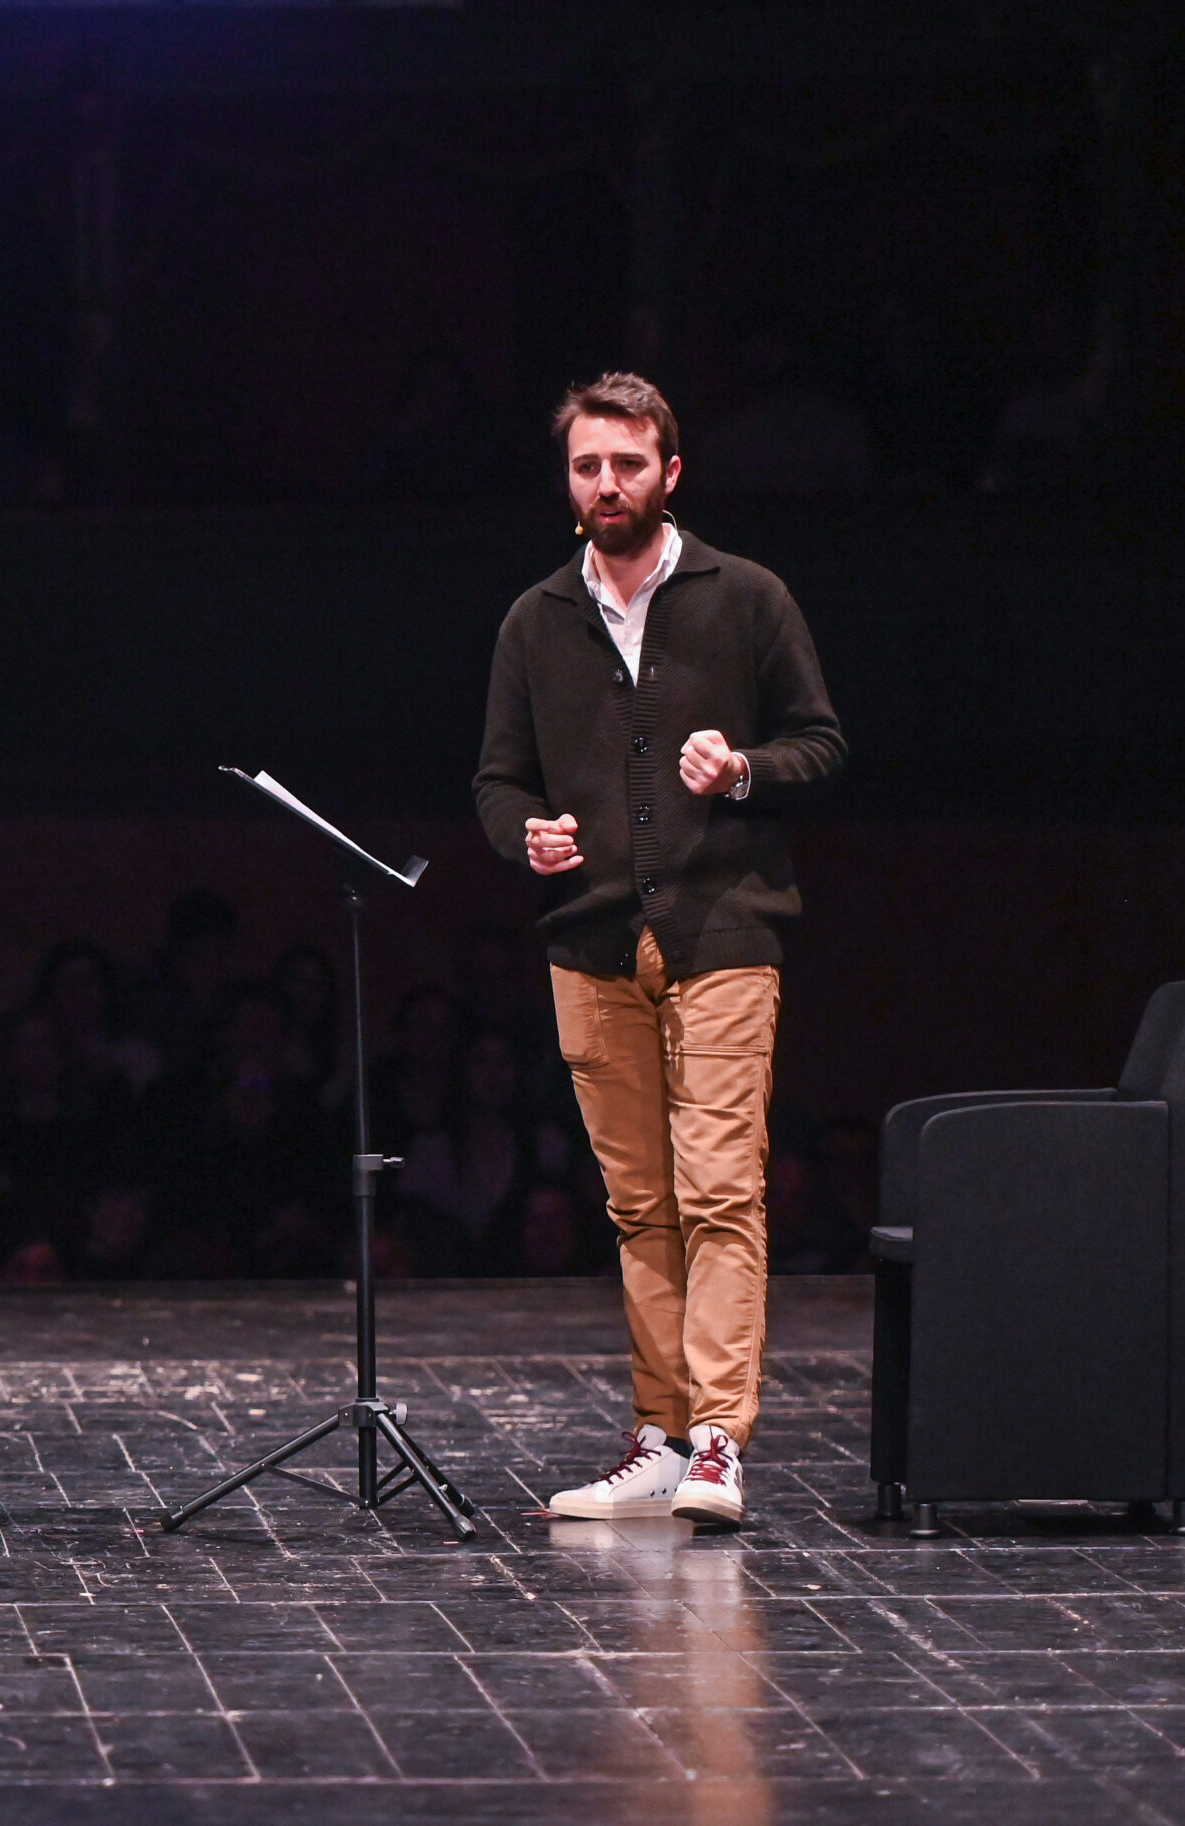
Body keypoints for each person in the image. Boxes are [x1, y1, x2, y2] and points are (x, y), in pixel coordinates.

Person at [474, 372, 845, 1526]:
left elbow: (820, 743)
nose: (607, 484)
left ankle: (719, 1440)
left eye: (627, 464)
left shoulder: (746, 596)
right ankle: (659, 1434)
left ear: (669, 472)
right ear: (567, 478)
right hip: (590, 937)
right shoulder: (537, 618)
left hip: (722, 923)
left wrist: (740, 769)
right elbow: (498, 778)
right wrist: (522, 834)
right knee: (638, 1203)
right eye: (587, 465)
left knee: (720, 1187)